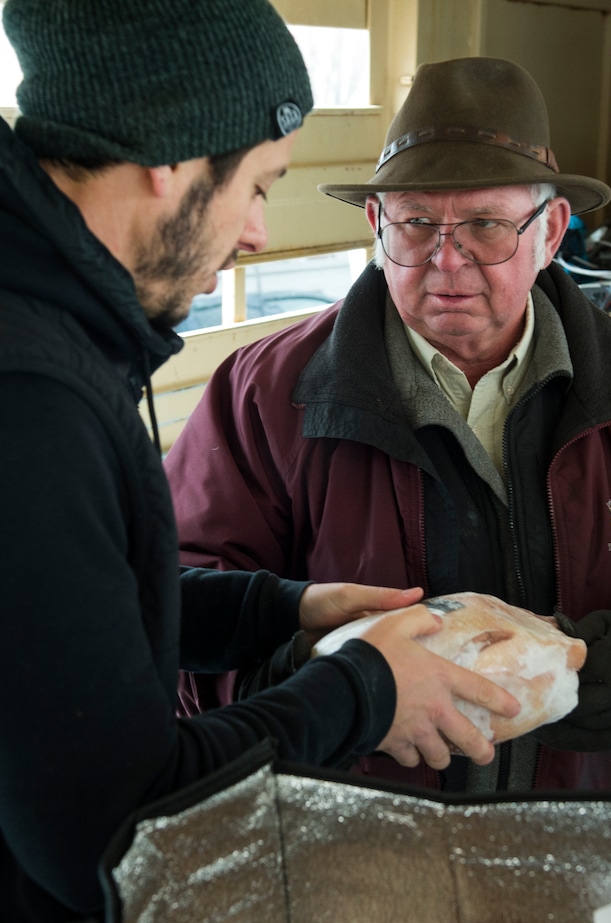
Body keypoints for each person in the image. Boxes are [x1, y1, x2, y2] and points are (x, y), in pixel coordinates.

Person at [0, 5, 522, 919]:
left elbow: (77, 616)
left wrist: (282, 607)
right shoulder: (32, 401)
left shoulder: (59, 328)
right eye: (256, 184)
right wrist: (366, 687)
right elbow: (125, 833)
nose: (256, 234)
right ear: (168, 155)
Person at [166, 55, 611, 795]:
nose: (447, 262)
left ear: (551, 231)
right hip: (345, 842)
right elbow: (176, 612)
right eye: (416, 223)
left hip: (579, 836)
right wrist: (311, 676)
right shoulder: (265, 397)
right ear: (376, 222)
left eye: (485, 225)